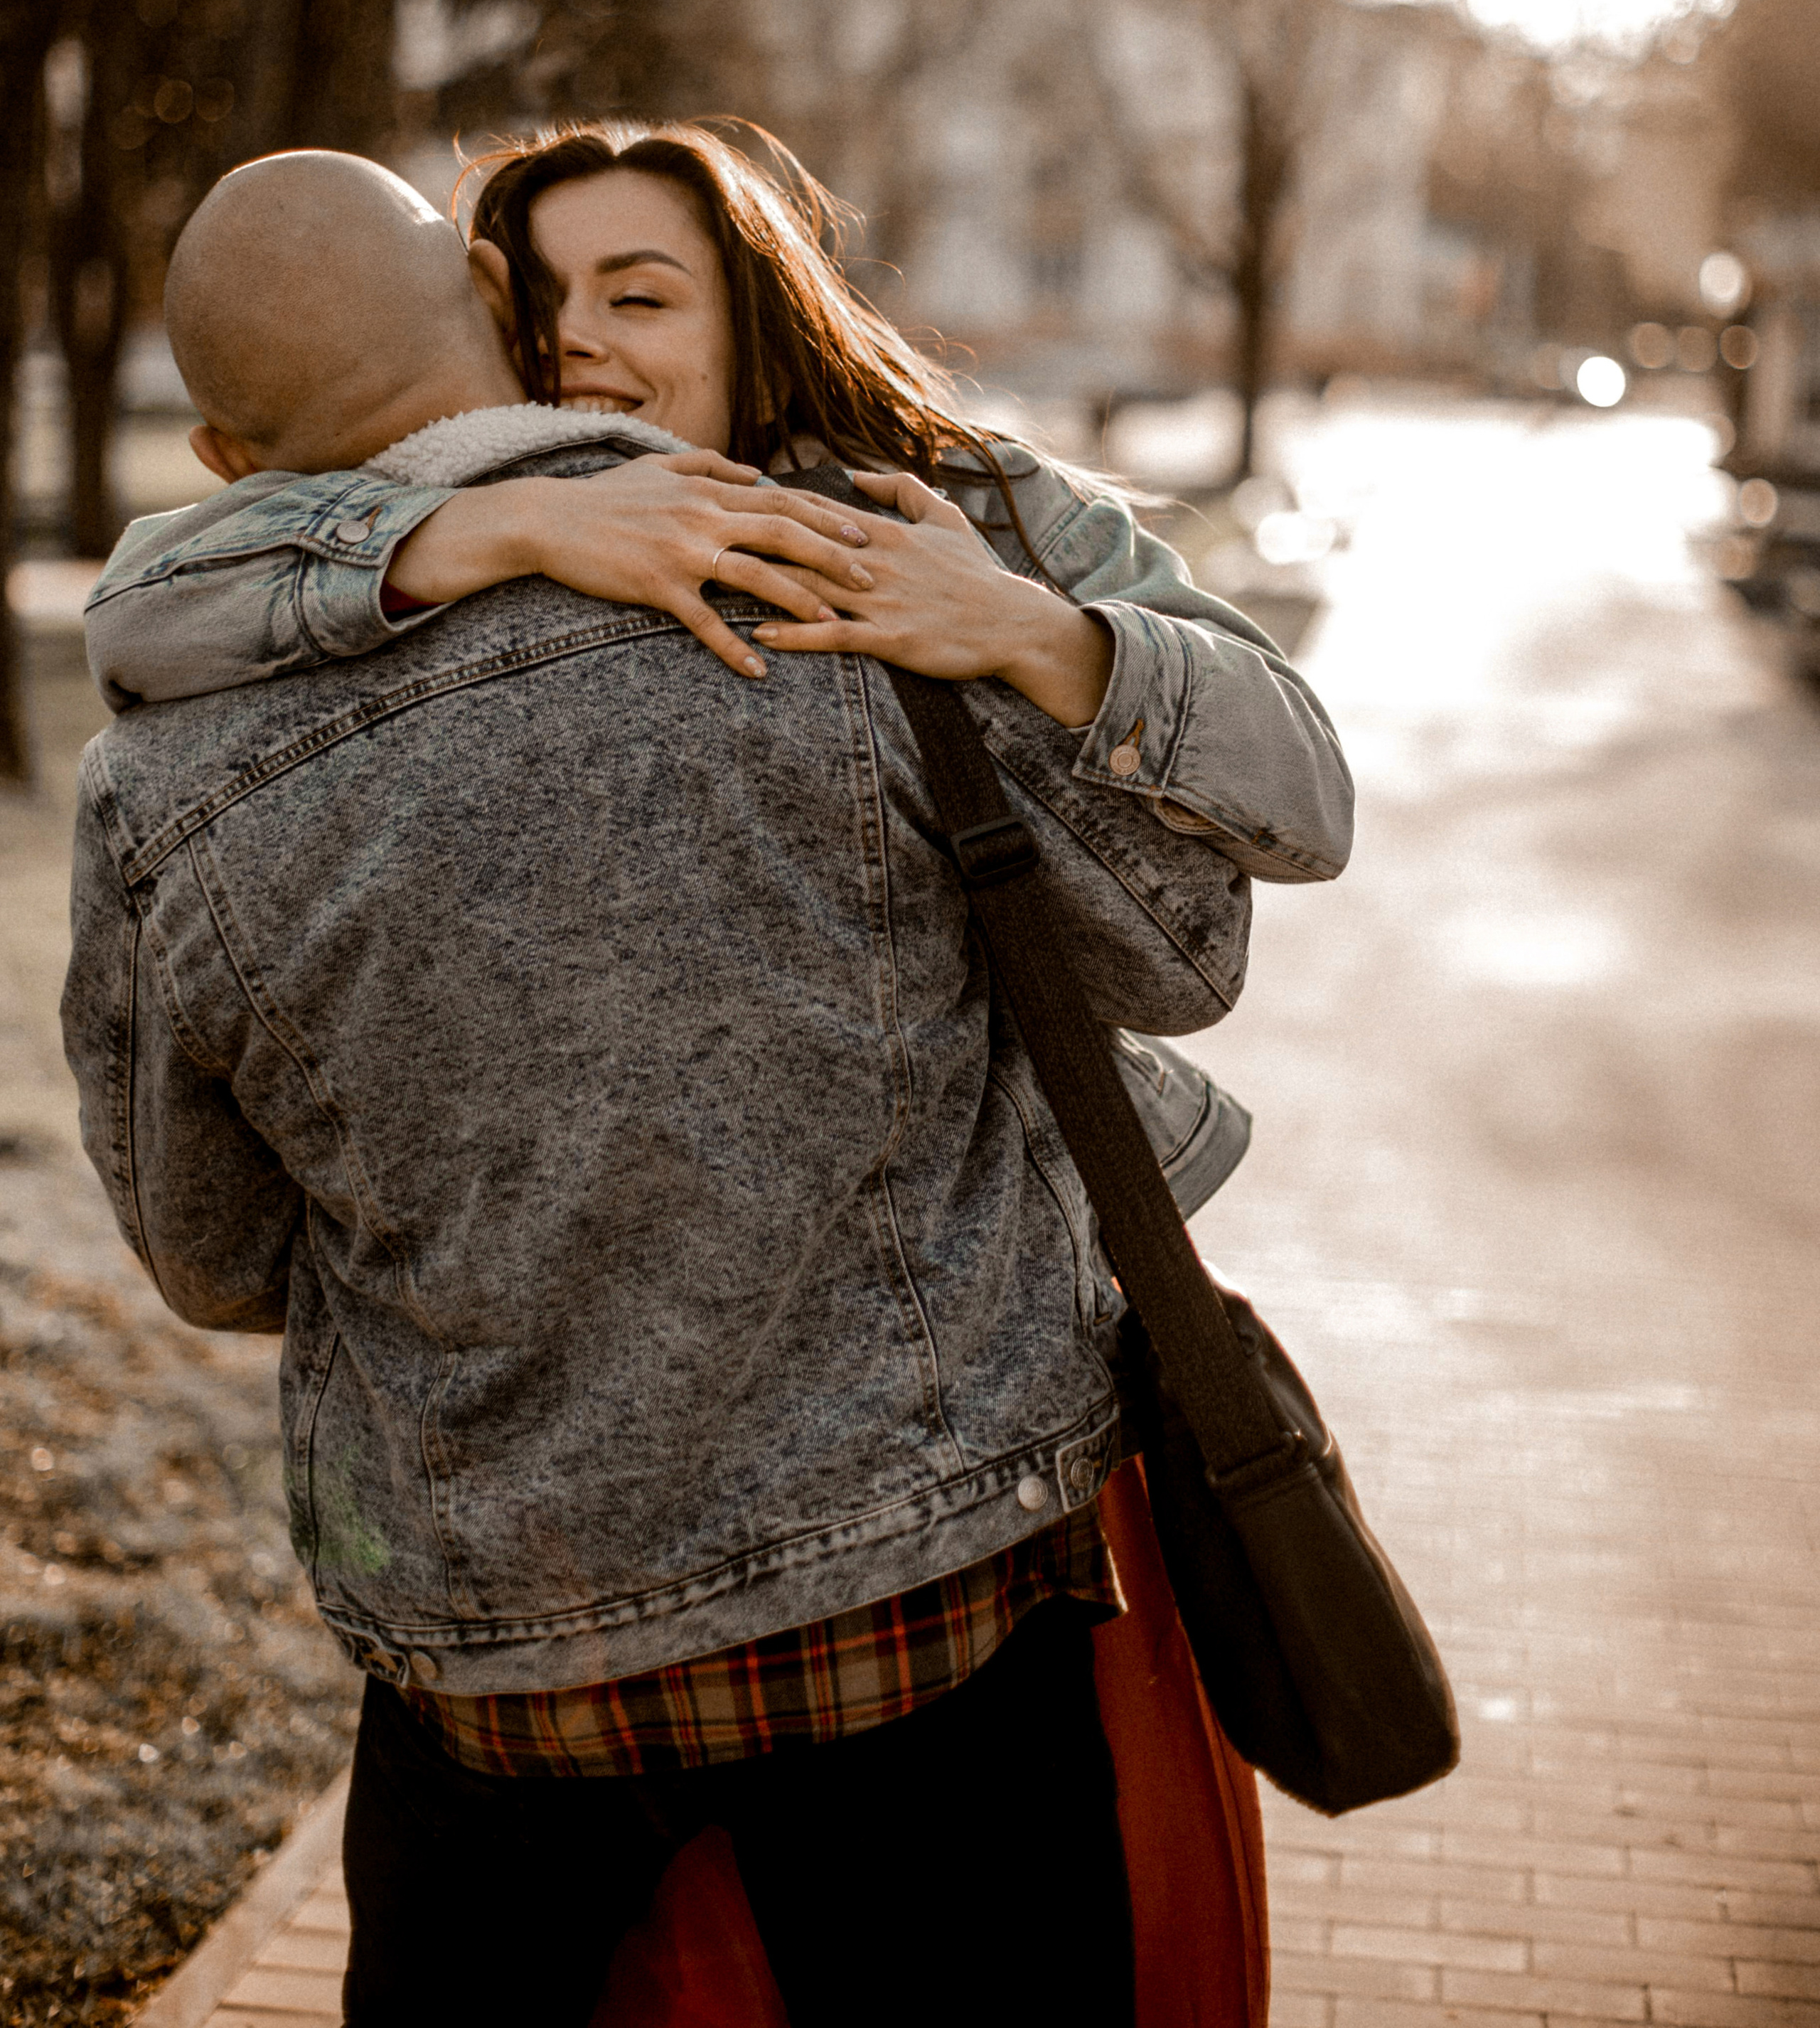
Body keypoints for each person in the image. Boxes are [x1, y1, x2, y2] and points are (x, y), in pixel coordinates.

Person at [68, 129, 1351, 2027]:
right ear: (493, 303)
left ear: (219, 458)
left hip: (498, 1658)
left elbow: (210, 1255)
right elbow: (1184, 955)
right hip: (924, 1604)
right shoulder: (841, 595)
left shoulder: (161, 783)